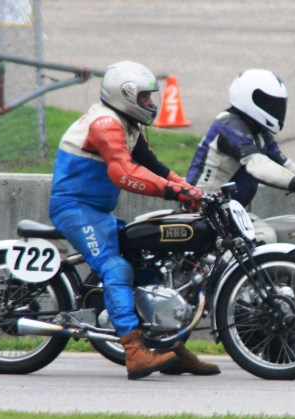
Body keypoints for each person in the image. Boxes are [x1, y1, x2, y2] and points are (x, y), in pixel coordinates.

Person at [49, 60, 219, 380]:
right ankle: (133, 351)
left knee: (147, 265)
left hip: (97, 211)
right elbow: (124, 173)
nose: (151, 104)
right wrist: (174, 192)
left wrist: (194, 191)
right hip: (74, 207)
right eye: (144, 98)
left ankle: (169, 345)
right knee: (117, 267)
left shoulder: (129, 124)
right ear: (124, 96)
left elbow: (153, 166)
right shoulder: (105, 123)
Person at [186, 68, 295, 207]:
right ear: (247, 98)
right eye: (269, 103)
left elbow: (285, 165)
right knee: (267, 232)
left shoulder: (259, 131)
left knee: (282, 228)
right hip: (203, 212)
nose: (275, 109)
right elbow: (257, 166)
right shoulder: (229, 126)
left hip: (230, 215)